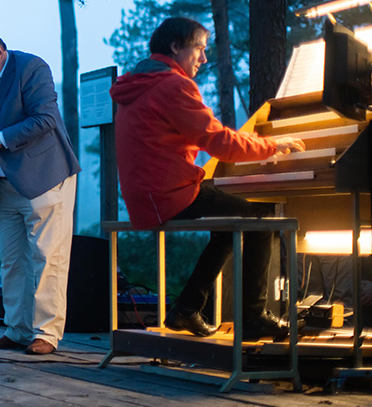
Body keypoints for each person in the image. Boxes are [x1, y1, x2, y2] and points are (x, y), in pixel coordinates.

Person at [109, 17, 305, 340]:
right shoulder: (173, 85)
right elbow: (221, 143)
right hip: (169, 195)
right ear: (176, 47)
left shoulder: (137, 84)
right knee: (263, 218)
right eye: (199, 49)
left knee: (229, 225)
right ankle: (252, 317)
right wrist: (272, 146)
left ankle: (186, 309)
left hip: (145, 197)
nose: (203, 58)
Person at [0, 25, 81, 355]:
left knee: (47, 258)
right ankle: (16, 329)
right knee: (13, 262)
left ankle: (47, 333)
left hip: (44, 177)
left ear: (0, 51)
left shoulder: (32, 68)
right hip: (5, 183)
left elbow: (46, 119)